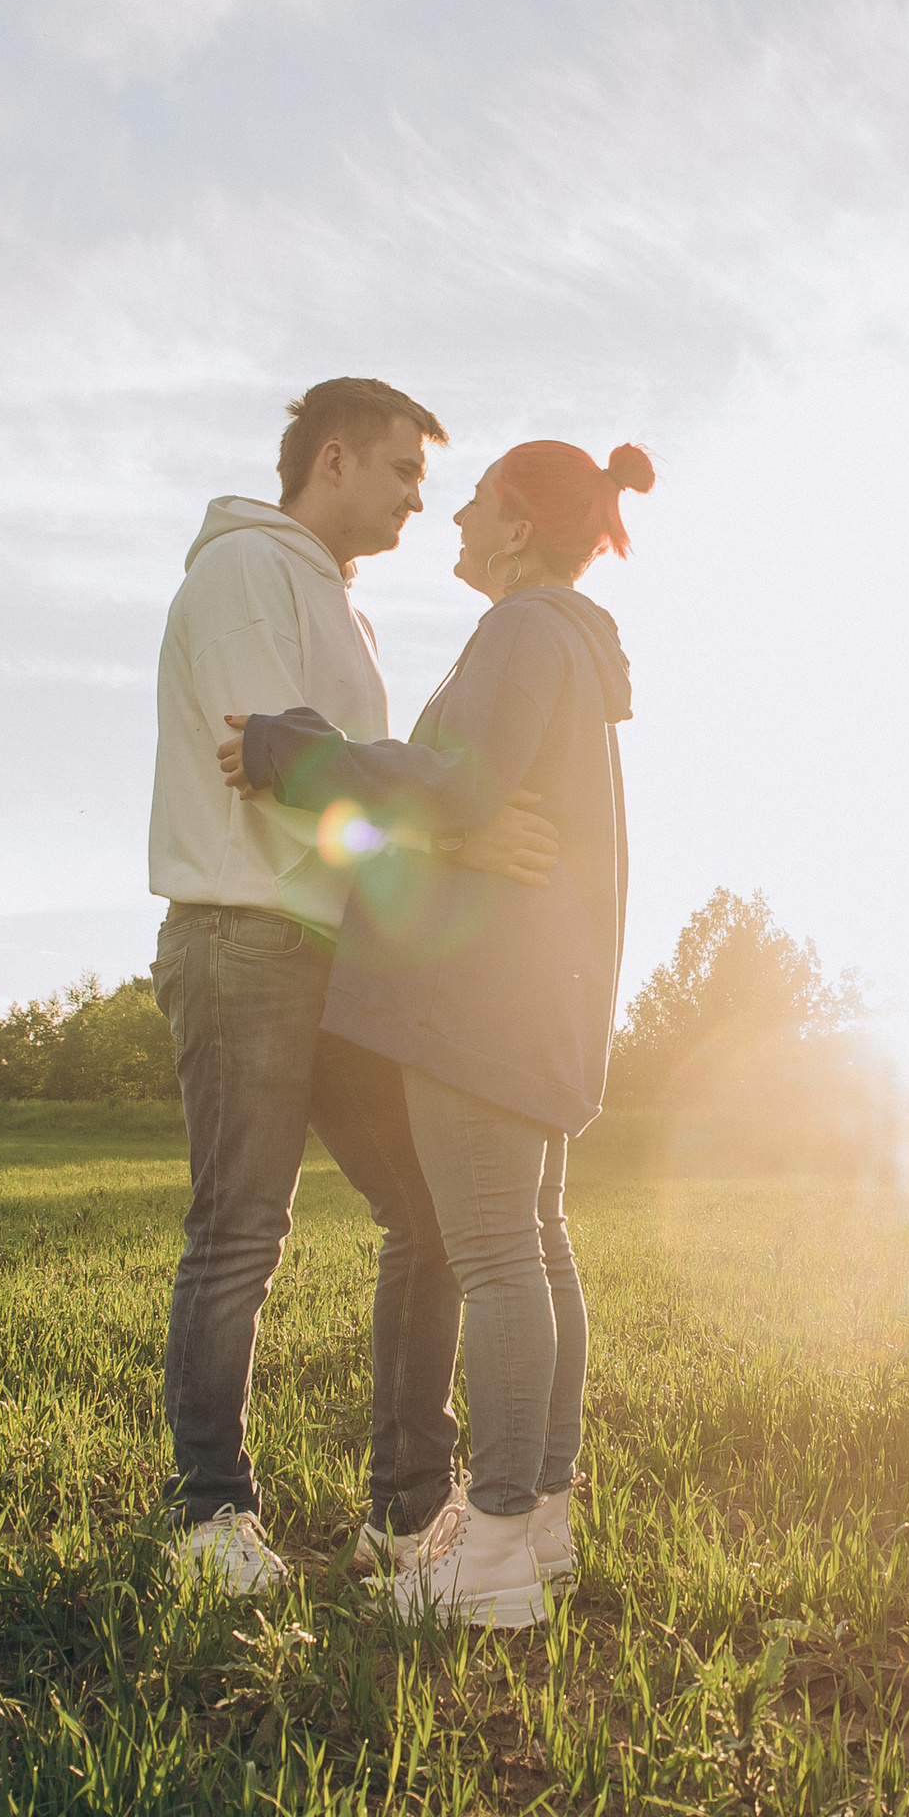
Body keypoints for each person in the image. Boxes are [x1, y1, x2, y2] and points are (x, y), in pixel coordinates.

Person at [218, 436, 654, 1627]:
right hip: (541, 986)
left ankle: (497, 1543)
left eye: (471, 502)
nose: (451, 520)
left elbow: (455, 785)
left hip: (483, 990)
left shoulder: (522, 630)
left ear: (516, 526)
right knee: (536, 1243)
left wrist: (290, 753)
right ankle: (539, 1525)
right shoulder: (569, 637)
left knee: (498, 1252)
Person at [149, 378, 559, 1596]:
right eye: (402, 477)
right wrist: (447, 843)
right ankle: (206, 1519)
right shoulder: (242, 575)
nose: (417, 505)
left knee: (429, 1219)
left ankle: (402, 1508)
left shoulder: (342, 609)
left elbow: (348, 775)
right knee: (241, 1231)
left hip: (333, 953)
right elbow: (268, 770)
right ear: (334, 459)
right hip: (244, 938)